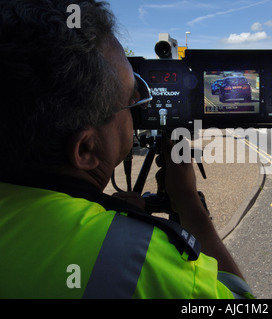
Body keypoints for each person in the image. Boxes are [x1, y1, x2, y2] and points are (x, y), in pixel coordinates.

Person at [0, 0, 253, 299]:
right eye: (130, 98)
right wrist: (187, 202)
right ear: (86, 150)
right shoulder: (140, 259)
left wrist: (109, 214)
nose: (139, 106)